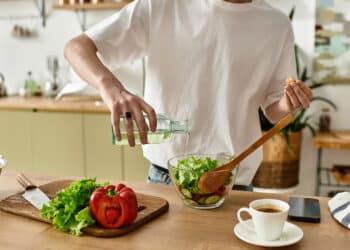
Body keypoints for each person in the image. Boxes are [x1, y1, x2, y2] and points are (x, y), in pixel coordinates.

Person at [64, 0, 313, 187]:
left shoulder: (276, 25)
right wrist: (111, 88)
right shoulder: (162, 5)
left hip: (233, 183)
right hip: (166, 178)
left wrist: (287, 103)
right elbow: (77, 48)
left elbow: (271, 110)